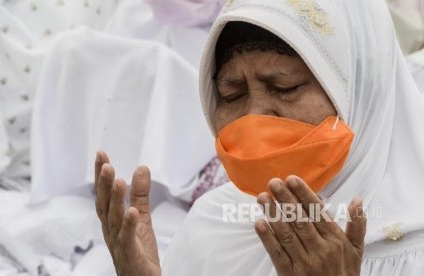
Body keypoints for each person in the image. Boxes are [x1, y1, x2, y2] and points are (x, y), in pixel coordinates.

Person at [95, 0, 424, 275]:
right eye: (232, 93)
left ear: (363, 89)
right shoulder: (213, 229)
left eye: (286, 88)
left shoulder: (413, 249)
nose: (255, 117)